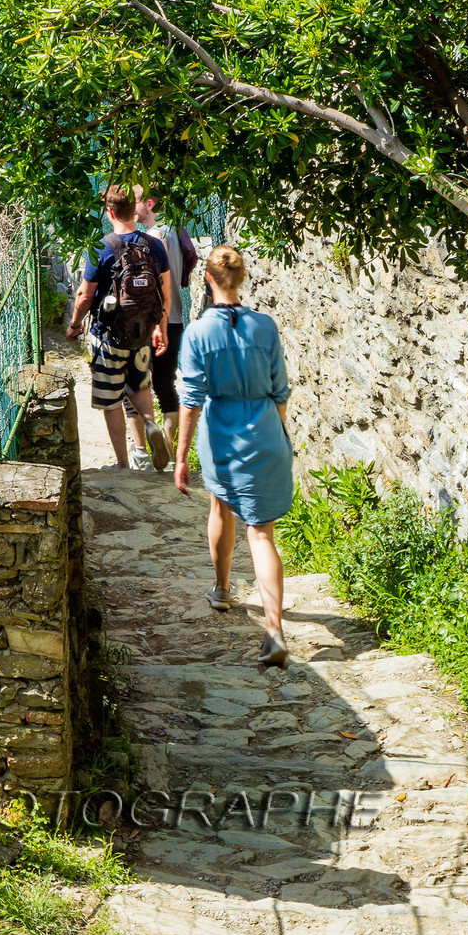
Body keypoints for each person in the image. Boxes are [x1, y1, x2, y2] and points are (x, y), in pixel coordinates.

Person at [173, 243, 295, 669]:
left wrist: (181, 455)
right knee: (262, 533)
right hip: (265, 429)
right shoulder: (265, 328)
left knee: (220, 506)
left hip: (221, 431)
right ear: (241, 279)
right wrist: (278, 431)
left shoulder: (198, 334)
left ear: (206, 278)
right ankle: (274, 630)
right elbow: (280, 390)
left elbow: (190, 401)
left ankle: (222, 589)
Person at [66, 184, 171, 472]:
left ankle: (123, 464)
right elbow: (165, 292)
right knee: (138, 384)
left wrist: (74, 326)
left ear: (109, 212)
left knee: (111, 399)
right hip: (143, 334)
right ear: (133, 210)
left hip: (109, 336)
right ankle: (151, 424)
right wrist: (160, 327)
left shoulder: (102, 246)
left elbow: (85, 296)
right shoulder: (154, 245)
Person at [136, 189, 197, 455]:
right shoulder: (176, 229)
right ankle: (171, 454)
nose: (133, 209)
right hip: (175, 318)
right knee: (165, 385)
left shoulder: (152, 237)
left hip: (153, 321)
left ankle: (142, 447)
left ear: (149, 204)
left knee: (136, 383)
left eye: (136, 203)